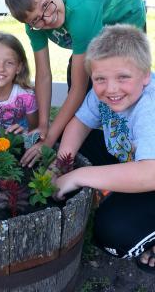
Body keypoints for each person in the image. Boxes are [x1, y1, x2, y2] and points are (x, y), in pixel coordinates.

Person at [0, 0, 146, 167]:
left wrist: (49, 140)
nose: (47, 19)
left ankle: (129, 153)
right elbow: (43, 75)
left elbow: (79, 88)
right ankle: (81, 144)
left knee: (113, 84)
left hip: (124, 16)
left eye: (46, 6)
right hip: (93, 23)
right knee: (78, 80)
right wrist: (44, 125)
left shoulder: (81, 7)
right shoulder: (34, 22)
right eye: (36, 20)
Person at [53, 24, 155, 273]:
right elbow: (79, 123)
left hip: (150, 172)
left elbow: (149, 174)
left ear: (146, 76)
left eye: (123, 77)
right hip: (135, 161)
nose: (111, 89)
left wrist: (77, 176)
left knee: (113, 234)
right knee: (70, 145)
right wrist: (60, 165)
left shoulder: (149, 106)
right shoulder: (104, 95)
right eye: (100, 79)